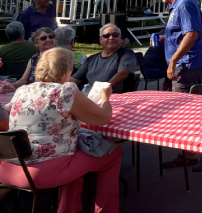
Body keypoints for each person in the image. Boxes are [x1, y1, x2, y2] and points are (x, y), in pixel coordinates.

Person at [0, 48, 122, 213]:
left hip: (8, 168)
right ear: (68, 69)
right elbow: (104, 118)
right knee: (113, 153)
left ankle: (68, 209)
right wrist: (106, 96)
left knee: (77, 149)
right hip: (42, 172)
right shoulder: (65, 91)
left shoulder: (23, 90)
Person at [157, 0, 202, 92]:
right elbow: (185, 33)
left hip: (186, 66)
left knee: (182, 103)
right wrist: (166, 38)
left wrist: (173, 61)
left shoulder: (184, 4)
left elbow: (191, 35)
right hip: (184, 66)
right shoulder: (179, 4)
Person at [70, 24, 136, 93]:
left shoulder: (127, 54)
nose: (111, 38)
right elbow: (74, 79)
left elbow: (123, 74)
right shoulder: (91, 59)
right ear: (101, 39)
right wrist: (64, 86)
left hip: (115, 96)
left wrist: (104, 89)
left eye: (115, 35)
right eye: (107, 35)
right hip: (92, 95)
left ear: (120, 38)